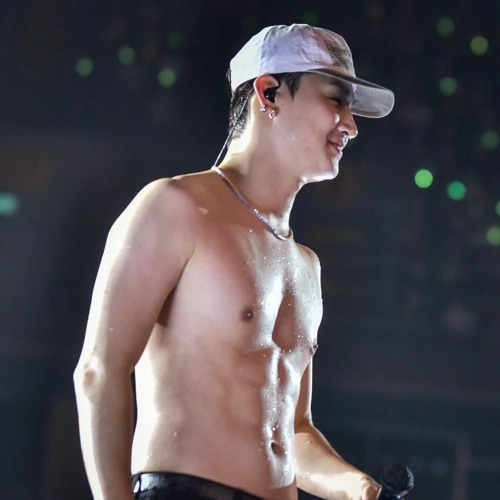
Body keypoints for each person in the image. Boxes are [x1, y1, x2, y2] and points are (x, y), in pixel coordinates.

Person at [74, 23, 394, 500]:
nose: (351, 124)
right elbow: (100, 371)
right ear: (269, 92)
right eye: (336, 100)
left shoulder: (306, 265)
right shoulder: (176, 206)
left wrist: (359, 487)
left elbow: (294, 431)